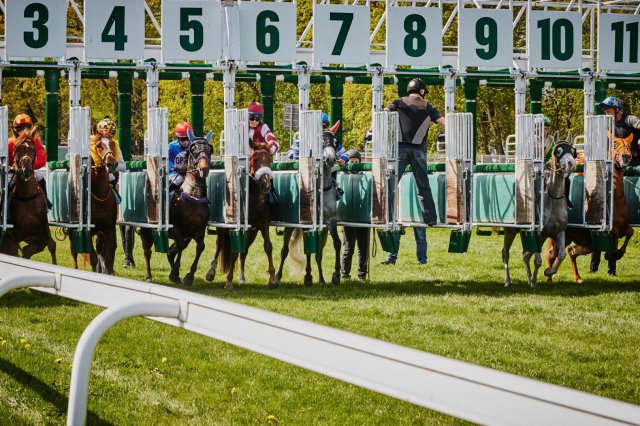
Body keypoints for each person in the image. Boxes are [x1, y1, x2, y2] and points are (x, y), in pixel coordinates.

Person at [381, 78, 445, 265]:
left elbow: (385, 112)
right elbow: (442, 122)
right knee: (422, 186)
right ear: (423, 91)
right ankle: (430, 218)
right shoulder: (428, 106)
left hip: (399, 149)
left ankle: (385, 214)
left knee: (391, 184)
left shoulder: (399, 102)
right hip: (419, 150)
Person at [590, 96, 640, 274]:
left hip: (632, 166)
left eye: (609, 110)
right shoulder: (605, 126)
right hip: (611, 167)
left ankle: (611, 266)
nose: (606, 113)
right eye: (605, 110)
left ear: (618, 109)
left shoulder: (629, 120)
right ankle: (593, 265)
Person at [7, 113, 53, 210]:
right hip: (13, 171)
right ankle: (4, 207)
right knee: (7, 184)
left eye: (27, 127)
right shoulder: (10, 142)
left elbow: (42, 158)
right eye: (21, 128)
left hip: (30, 169)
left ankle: (45, 200)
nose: (24, 130)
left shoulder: (35, 141)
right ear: (15, 129)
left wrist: (30, 166)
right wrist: (11, 167)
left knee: (40, 177)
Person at [340, 149, 370, 280]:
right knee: (348, 248)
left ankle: (362, 274)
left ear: (360, 162)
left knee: (363, 249)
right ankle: (344, 273)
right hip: (348, 217)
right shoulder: (343, 178)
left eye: (356, 162)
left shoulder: (366, 177)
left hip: (363, 218)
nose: (353, 165)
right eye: (351, 162)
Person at [91, 117, 125, 204]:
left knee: (116, 199)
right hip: (90, 175)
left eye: (112, 132)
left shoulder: (114, 145)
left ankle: (114, 191)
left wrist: (111, 166)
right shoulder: (88, 141)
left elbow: (123, 167)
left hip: (108, 177)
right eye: (103, 131)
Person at [542, 115, 573, 208]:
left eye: (546, 128)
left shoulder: (553, 140)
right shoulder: (532, 140)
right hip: (538, 168)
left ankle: (566, 198)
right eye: (542, 128)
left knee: (566, 178)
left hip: (551, 168)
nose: (544, 130)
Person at [168, 121, 193, 198]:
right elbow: (168, 161)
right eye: (182, 139)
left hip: (189, 172)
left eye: (187, 139)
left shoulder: (193, 146)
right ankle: (167, 195)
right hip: (175, 173)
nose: (185, 142)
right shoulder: (171, 147)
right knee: (179, 179)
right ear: (178, 138)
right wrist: (174, 168)